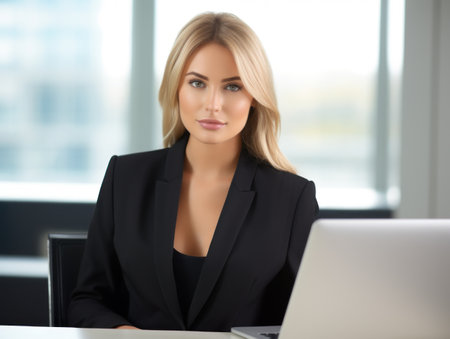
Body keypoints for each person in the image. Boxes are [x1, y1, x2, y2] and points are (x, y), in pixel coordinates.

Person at [68, 12, 318, 332]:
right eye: (197, 83)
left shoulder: (291, 198)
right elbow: (86, 300)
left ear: (254, 97)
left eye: (232, 87)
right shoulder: (125, 178)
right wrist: (125, 334)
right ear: (177, 88)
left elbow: (307, 320)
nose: (212, 104)